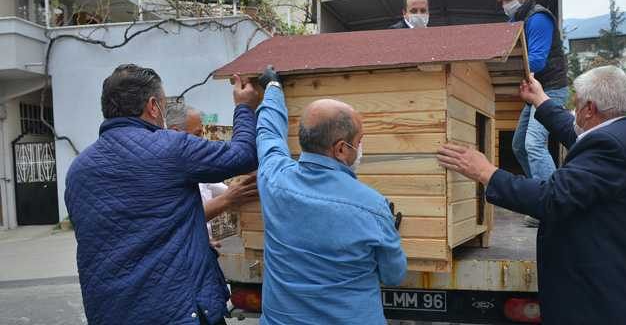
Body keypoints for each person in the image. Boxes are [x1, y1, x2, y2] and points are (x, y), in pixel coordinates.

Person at [437, 66, 626, 325]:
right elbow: (574, 132)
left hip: (603, 302)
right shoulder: (620, 133)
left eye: (575, 102)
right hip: (613, 290)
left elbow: (551, 197)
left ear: (590, 109)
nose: (572, 107)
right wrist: (540, 101)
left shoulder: (610, 147)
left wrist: (486, 172)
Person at [65, 64, 261, 325]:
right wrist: (245, 107)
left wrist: (195, 241)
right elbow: (244, 155)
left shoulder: (78, 169)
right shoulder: (171, 147)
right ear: (153, 106)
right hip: (177, 313)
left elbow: (130, 229)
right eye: (164, 106)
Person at [254, 66, 406, 324]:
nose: (360, 148)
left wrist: (273, 88)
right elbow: (393, 276)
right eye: (358, 141)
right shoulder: (373, 206)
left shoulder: (273, 179)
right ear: (340, 149)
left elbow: (268, 134)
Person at [492, 0, 569, 185]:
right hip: (536, 91)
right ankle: (539, 190)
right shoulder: (516, 21)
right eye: (502, 2)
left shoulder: (538, 18)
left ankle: (554, 199)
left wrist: (502, 66)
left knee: (534, 144)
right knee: (519, 146)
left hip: (551, 90)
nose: (506, 5)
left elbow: (537, 61)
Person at [165, 102, 260, 248]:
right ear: (175, 133)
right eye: (197, 134)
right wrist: (227, 199)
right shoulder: (165, 169)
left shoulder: (197, 167)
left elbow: (232, 192)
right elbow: (180, 219)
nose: (203, 140)